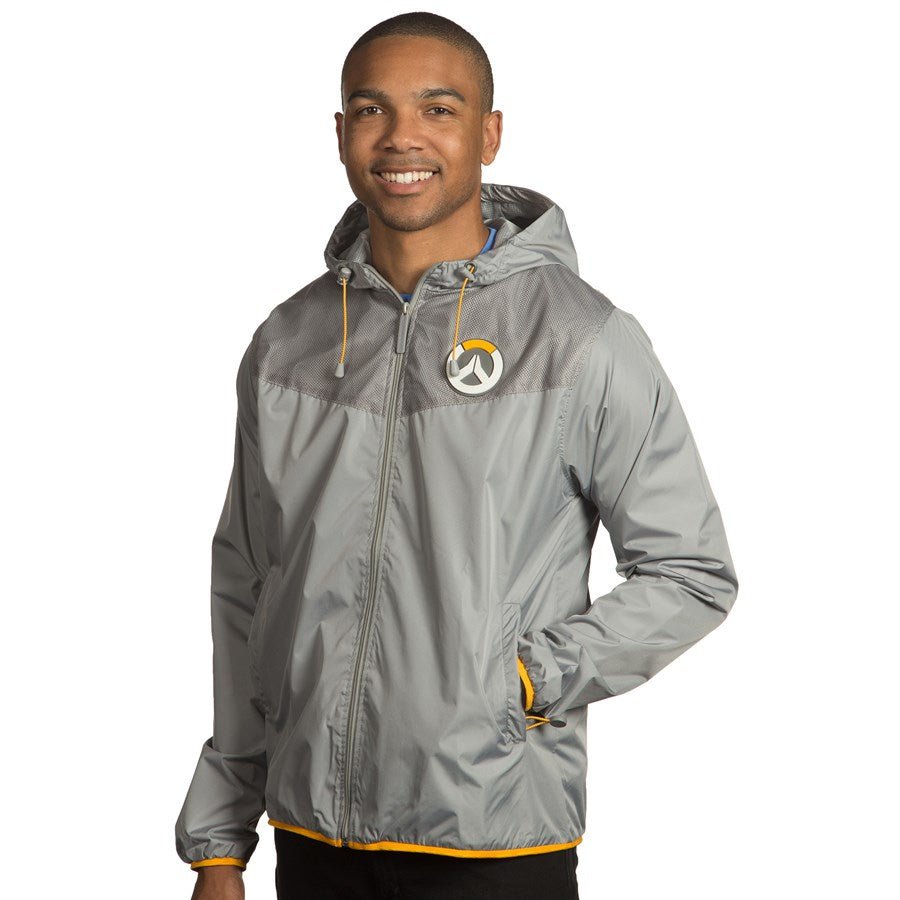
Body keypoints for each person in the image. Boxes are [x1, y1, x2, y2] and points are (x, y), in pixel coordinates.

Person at [175, 11, 739, 900]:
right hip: (310, 838)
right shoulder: (288, 344)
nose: (402, 137)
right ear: (341, 133)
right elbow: (246, 587)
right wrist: (220, 839)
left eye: (438, 109)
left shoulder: (580, 340)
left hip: (496, 843)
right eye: (373, 110)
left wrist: (520, 680)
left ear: (489, 133)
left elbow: (691, 572)